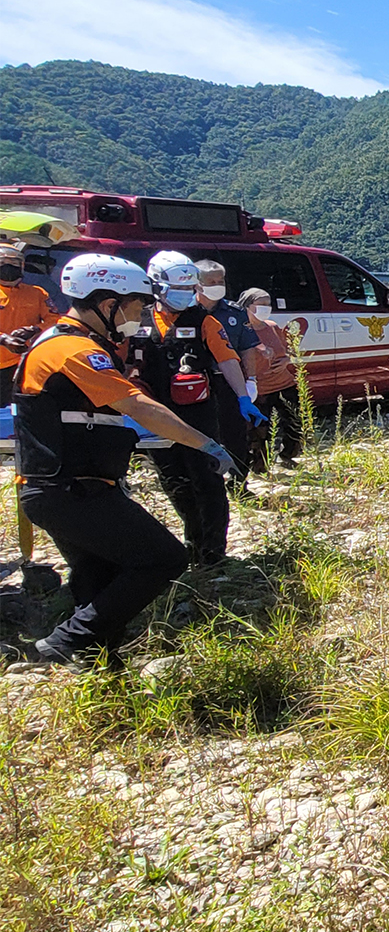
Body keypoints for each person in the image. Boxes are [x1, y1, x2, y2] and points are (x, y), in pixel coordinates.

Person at [11, 253, 241, 664]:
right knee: (164, 558)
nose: (139, 314)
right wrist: (204, 443)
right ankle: (64, 643)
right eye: (135, 305)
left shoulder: (75, 345)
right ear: (106, 303)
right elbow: (139, 407)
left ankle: (101, 666)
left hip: (72, 486)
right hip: (70, 489)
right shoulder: (74, 350)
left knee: (100, 577)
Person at [130, 253, 266, 567]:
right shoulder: (139, 320)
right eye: (179, 288)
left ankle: (214, 550)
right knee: (174, 480)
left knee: (207, 479)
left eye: (190, 287)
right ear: (157, 286)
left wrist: (243, 396)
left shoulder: (205, 320)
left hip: (197, 412)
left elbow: (228, 360)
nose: (186, 294)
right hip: (154, 414)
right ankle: (193, 542)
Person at [192, 259, 263, 482]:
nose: (217, 285)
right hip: (196, 382)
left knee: (235, 434)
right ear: (198, 284)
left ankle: (239, 483)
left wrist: (250, 381)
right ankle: (206, 479)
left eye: (220, 281)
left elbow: (247, 348)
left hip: (228, 381)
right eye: (211, 281)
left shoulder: (235, 312)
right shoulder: (186, 312)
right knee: (202, 432)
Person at [237, 287, 302, 469]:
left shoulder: (272, 327)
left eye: (268, 304)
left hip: (284, 383)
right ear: (248, 306)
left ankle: (288, 455)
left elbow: (287, 352)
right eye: (261, 304)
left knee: (295, 422)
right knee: (260, 430)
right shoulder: (241, 330)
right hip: (260, 388)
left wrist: (284, 362)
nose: (266, 308)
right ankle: (260, 466)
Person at [0, 242, 62, 407]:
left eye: (14, 264)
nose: (8, 268)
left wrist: (35, 330)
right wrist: (3, 339)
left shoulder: (37, 293)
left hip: (21, 363)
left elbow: (55, 320)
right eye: (3, 264)